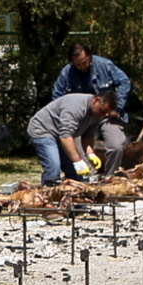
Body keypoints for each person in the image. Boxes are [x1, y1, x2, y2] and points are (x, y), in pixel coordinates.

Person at [51, 43, 131, 172]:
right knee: (74, 148)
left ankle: (110, 178)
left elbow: (124, 82)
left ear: (90, 57)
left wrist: (117, 108)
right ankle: (87, 180)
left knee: (116, 146)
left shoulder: (105, 65)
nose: (82, 66)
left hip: (106, 115)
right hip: (80, 118)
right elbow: (57, 97)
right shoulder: (66, 73)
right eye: (78, 64)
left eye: (85, 62)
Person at [27, 88, 119, 183]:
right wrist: (78, 162)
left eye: (106, 113)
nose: (103, 116)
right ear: (96, 100)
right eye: (102, 111)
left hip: (60, 134)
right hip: (43, 130)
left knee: (76, 174)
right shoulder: (76, 106)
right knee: (53, 167)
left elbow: (88, 136)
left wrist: (91, 154)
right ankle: (48, 192)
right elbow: (65, 137)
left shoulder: (97, 115)